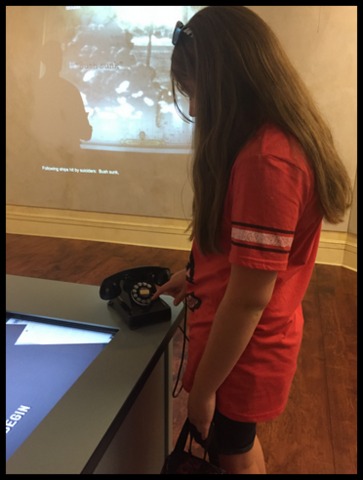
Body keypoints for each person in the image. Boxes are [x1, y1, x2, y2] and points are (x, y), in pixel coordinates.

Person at [152, 6, 353, 475]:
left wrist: (202, 391)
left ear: (228, 82)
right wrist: (194, 277)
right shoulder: (270, 144)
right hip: (242, 345)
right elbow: (247, 262)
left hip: (243, 355)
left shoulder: (269, 160)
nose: (196, 108)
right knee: (234, 443)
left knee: (234, 450)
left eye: (195, 91)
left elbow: (248, 301)